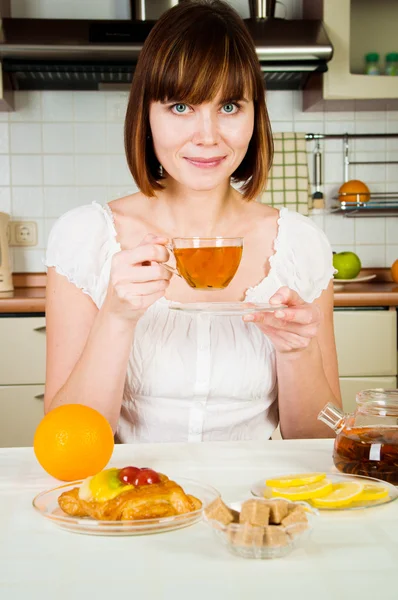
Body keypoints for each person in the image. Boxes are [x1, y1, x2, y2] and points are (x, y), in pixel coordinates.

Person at [44, 0, 341, 443]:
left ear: (255, 115)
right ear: (146, 115)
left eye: (229, 107)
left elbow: (317, 441)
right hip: (131, 502)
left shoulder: (301, 243)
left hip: (252, 505)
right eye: (181, 107)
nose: (207, 136)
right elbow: (67, 437)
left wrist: (297, 351)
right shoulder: (83, 236)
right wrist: (117, 318)